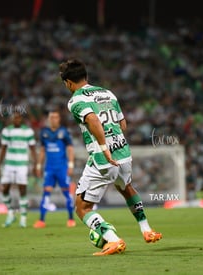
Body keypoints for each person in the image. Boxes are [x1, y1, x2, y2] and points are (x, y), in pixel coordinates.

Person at [59, 59, 162, 256]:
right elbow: (123, 124)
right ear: (86, 76)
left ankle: (113, 239)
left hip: (103, 158)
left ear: (68, 83)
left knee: (82, 208)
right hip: (123, 153)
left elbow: (93, 120)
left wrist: (105, 147)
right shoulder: (107, 93)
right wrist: (114, 141)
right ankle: (147, 229)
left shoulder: (75, 100)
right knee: (126, 187)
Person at [33, 110, 76, 228]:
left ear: (59, 119)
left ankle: (71, 219)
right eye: (51, 117)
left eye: (56, 117)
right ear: (48, 119)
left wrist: (71, 165)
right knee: (46, 193)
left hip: (62, 167)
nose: (53, 119)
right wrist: (38, 166)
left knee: (67, 193)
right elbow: (42, 150)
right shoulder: (44, 132)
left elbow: (70, 148)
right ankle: (41, 220)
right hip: (49, 168)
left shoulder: (64, 132)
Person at [0, 111, 37, 228]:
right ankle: (10, 212)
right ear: (12, 119)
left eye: (19, 118)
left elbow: (33, 149)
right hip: (9, 164)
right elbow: (3, 148)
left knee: (22, 190)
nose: (17, 120)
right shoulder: (6, 131)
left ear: (21, 119)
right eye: (15, 118)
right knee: (4, 189)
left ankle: (23, 218)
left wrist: (35, 165)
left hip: (22, 164)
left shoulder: (28, 131)